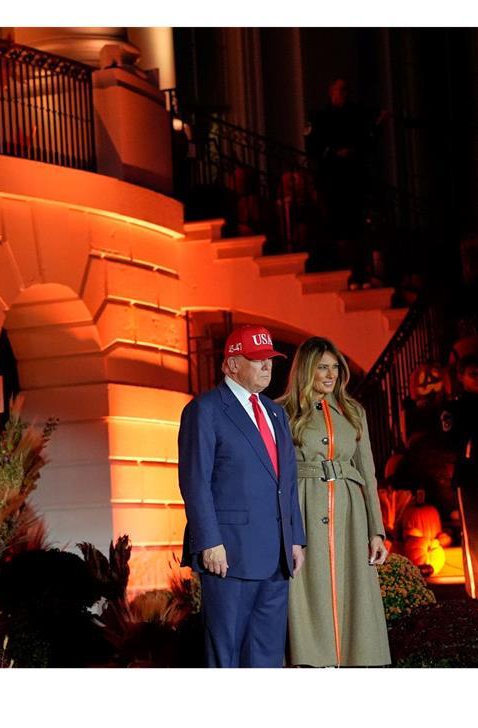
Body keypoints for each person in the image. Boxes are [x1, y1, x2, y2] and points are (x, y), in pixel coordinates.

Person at [179, 325, 306, 667]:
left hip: (276, 556)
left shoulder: (276, 413)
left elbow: (287, 483)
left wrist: (295, 539)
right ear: (232, 365)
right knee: (227, 652)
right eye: (258, 359)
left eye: (271, 359)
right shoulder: (204, 410)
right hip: (229, 555)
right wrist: (209, 542)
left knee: (267, 654)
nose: (268, 366)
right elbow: (195, 481)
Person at [279, 336, 390, 666]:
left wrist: (377, 531)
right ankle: (312, 662)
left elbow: (367, 473)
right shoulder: (283, 411)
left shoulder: (353, 411)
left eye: (335, 368)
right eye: (322, 368)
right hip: (304, 506)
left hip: (349, 513)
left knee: (352, 590)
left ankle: (353, 664)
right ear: (306, 371)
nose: (330, 375)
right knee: (307, 592)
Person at [305, 78, 389, 286]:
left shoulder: (355, 115)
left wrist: (377, 127)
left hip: (354, 177)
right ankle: (342, 267)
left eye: (347, 90)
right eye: (340, 90)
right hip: (332, 178)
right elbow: (312, 145)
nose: (344, 94)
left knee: (355, 224)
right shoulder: (320, 117)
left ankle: (360, 270)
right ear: (331, 91)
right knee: (336, 222)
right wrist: (334, 153)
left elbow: (366, 142)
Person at [443, 336, 478, 599]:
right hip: (470, 478)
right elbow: (451, 439)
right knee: (475, 535)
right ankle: (477, 591)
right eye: (473, 374)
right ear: (462, 377)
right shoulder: (456, 408)